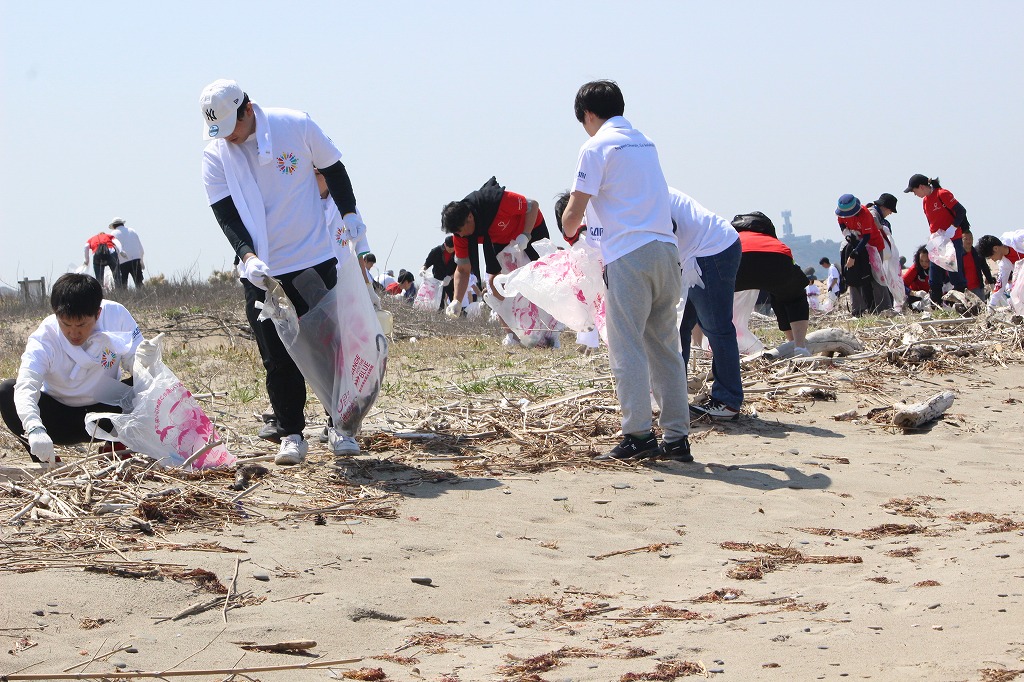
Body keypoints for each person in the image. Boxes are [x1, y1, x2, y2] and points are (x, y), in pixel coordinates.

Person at [199, 78, 366, 464]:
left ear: (249, 109)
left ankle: (339, 426)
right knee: (276, 355)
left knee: (328, 345)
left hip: (313, 257)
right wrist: (246, 255)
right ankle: (291, 432)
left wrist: (351, 213)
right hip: (263, 272)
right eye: (219, 133)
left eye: (232, 128)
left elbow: (334, 169)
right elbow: (225, 214)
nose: (229, 139)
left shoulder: (297, 125)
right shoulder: (215, 155)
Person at [559, 80, 691, 462]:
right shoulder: (645, 142)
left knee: (627, 346)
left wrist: (571, 230)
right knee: (666, 347)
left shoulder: (595, 145)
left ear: (587, 114)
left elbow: (573, 215)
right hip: (667, 251)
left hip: (629, 255)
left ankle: (637, 434)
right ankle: (677, 438)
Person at [0, 273, 145, 463]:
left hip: (107, 414)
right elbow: (27, 383)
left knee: (147, 379)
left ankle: (116, 446)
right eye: (66, 324)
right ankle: (44, 456)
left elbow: (138, 363)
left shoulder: (116, 316)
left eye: (82, 324)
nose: (73, 333)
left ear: (98, 314)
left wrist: (145, 360)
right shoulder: (45, 337)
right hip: (60, 418)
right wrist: (34, 427)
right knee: (6, 391)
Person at [670, 188, 743, 422]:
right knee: (679, 326)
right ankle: (674, 397)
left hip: (711, 251)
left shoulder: (644, 192)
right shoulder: (642, 187)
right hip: (696, 254)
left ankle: (727, 401)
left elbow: (666, 232)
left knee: (716, 327)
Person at [440, 177, 550, 313]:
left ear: (470, 217)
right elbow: (463, 270)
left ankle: (551, 320)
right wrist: (457, 300)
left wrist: (526, 235)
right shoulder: (460, 235)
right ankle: (513, 330)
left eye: (460, 231)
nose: (460, 236)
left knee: (543, 273)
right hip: (500, 240)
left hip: (530, 229)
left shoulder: (496, 201)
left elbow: (533, 205)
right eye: (456, 233)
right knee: (494, 285)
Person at [732, 213, 812, 355]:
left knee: (707, 300)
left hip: (736, 258)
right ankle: (798, 345)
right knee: (793, 297)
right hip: (777, 257)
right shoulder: (771, 239)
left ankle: (705, 346)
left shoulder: (732, 236)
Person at [904, 174, 970, 304]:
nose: (914, 194)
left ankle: (963, 306)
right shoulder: (925, 201)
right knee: (934, 277)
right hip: (937, 241)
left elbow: (961, 211)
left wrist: (953, 227)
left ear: (921, 187)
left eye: (914, 190)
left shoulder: (942, 194)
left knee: (955, 276)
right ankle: (936, 307)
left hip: (952, 239)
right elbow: (932, 222)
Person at [836, 194, 887, 315]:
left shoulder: (865, 214)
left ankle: (884, 309)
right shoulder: (841, 213)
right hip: (855, 243)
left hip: (873, 246)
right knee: (853, 276)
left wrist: (853, 255)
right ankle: (858, 309)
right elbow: (841, 224)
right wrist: (847, 233)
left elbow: (867, 237)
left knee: (877, 277)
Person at [977, 231, 1024, 306]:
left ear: (995, 248)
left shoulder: (1018, 238)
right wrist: (992, 304)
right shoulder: (1004, 264)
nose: (993, 260)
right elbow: (1000, 285)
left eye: (991, 257)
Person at [421, 235, 458, 308]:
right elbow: (427, 263)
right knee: (438, 301)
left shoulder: (457, 253)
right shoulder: (436, 251)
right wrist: (422, 269)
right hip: (437, 280)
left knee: (455, 300)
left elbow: (459, 268)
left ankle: (457, 317)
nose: (451, 250)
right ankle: (439, 316)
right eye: (449, 248)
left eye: (453, 248)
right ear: (445, 245)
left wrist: (450, 277)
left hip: (451, 280)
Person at [108, 217, 145, 288]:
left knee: (123, 285)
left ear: (114, 226)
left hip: (122, 262)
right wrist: (141, 261)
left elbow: (113, 250)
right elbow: (141, 248)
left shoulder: (112, 234)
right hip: (136, 259)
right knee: (139, 283)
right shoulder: (132, 231)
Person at [961, 231, 995, 301]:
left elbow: (985, 267)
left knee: (981, 309)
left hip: (978, 288)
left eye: (970, 238)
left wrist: (991, 282)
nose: (969, 241)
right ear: (961, 240)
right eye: (966, 239)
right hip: (963, 289)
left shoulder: (977, 253)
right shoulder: (958, 255)